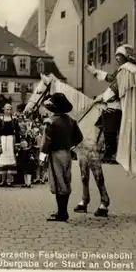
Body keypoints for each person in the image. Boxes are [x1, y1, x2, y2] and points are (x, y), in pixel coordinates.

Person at [85, 44, 136, 175]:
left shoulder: (127, 70)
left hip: (124, 104)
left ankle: (110, 152)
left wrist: (102, 97)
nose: (117, 58)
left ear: (126, 57)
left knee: (109, 119)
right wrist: (95, 71)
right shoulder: (127, 69)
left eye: (119, 55)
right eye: (116, 56)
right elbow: (113, 79)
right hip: (122, 101)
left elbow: (116, 87)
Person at [39, 93, 83, 222]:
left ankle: (62, 213)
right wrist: (70, 145)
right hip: (67, 154)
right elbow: (79, 137)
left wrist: (42, 158)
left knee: (58, 182)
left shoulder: (50, 122)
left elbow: (45, 142)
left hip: (55, 154)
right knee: (66, 180)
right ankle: (62, 211)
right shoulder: (71, 120)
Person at [0, 104, 21, 187]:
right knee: (2, 161)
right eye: (7, 109)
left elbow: (17, 132)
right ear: (4, 110)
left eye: (10, 109)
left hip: (11, 140)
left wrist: (17, 144)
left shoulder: (14, 120)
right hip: (2, 140)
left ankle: (10, 180)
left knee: (10, 160)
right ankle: (3, 180)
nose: (9, 111)